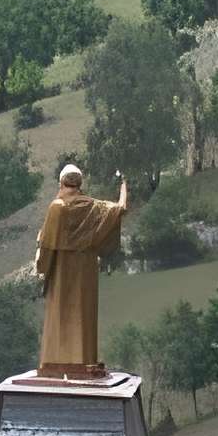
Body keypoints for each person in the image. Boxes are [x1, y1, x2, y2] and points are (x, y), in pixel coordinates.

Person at [32, 162, 129, 378]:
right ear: (80, 183)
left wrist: (41, 267)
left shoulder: (57, 207)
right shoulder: (92, 207)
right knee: (82, 312)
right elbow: (119, 209)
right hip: (85, 271)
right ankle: (84, 360)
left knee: (60, 314)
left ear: (61, 182)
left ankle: (57, 361)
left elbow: (46, 246)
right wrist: (124, 184)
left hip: (61, 272)